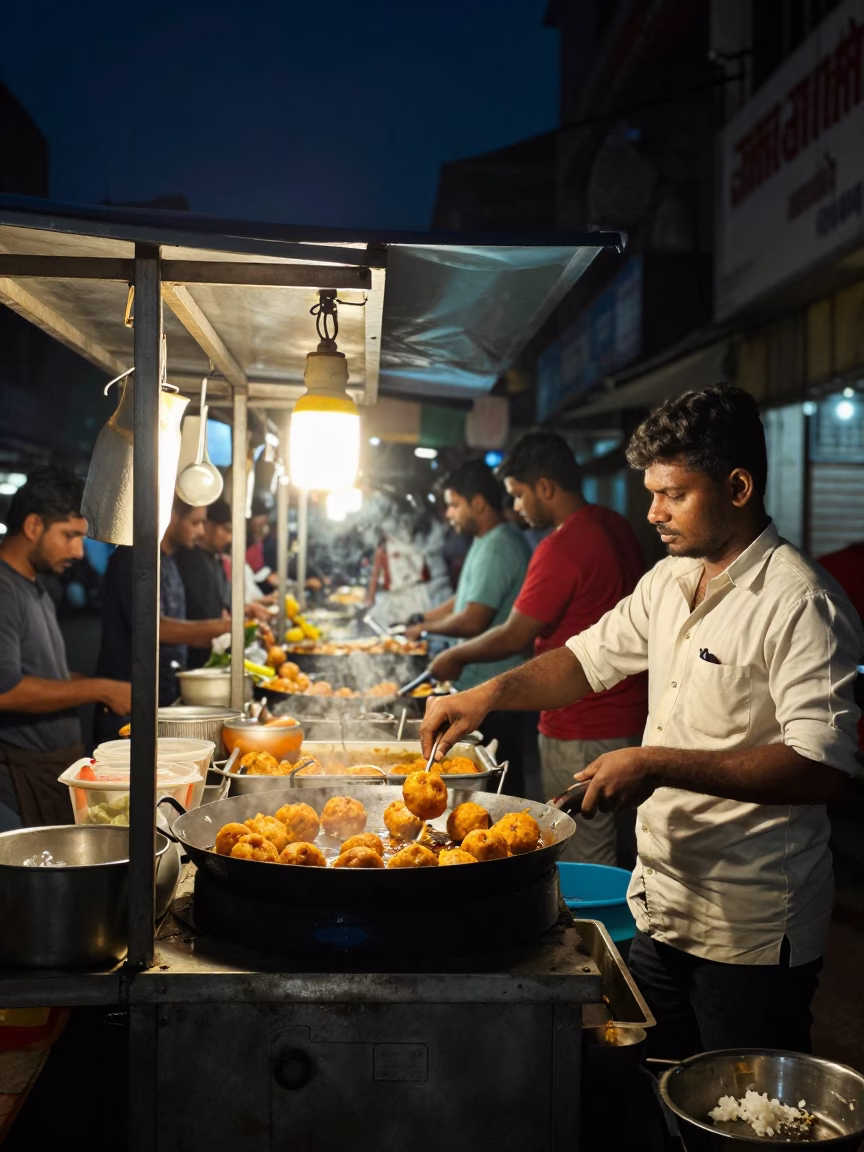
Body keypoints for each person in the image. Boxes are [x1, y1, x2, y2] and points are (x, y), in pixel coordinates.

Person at [421, 385, 862, 1058]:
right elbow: (582, 660)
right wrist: (486, 696)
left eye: (673, 494)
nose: (652, 511)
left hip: (745, 926)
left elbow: (823, 767)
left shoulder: (799, 603)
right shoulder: (670, 579)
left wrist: (654, 763)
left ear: (738, 486)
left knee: (737, 1114)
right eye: (650, 491)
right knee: (652, 1081)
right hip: (659, 905)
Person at [428, 433, 648, 865]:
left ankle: (593, 930)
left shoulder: (561, 546)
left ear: (545, 487)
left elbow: (515, 634)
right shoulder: (614, 524)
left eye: (519, 495)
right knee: (619, 844)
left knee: (582, 852)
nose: (516, 508)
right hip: (629, 716)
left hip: (580, 720)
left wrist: (455, 655)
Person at [0, 468, 131, 828]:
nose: (77, 551)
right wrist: (100, 687)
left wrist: (97, 688)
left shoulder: (34, 586)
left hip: (52, 766)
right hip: (17, 780)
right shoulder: (4, 590)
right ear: (33, 527)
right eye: (70, 535)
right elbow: (7, 690)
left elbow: (45, 674)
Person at [95, 497, 267, 740]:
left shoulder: (170, 562)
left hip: (162, 698)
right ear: (171, 516)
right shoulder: (135, 559)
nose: (200, 531)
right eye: (196, 522)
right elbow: (154, 628)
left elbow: (179, 632)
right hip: (126, 703)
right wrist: (228, 625)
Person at [405, 460, 531, 788]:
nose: (449, 514)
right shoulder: (484, 539)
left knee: (497, 785)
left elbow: (474, 618)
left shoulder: (500, 545)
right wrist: (423, 620)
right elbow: (463, 599)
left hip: (497, 691)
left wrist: (430, 632)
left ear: (478, 502)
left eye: (454, 505)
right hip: (481, 688)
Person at [174, 498, 233, 669]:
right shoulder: (187, 559)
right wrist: (224, 626)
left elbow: (223, 605)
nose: (229, 538)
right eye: (226, 530)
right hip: (191, 663)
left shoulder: (215, 560)